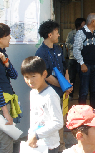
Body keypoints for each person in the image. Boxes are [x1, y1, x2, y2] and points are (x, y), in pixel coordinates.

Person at [35, 19, 72, 152]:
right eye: (57, 32)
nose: (58, 35)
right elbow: (47, 76)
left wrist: (67, 84)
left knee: (61, 121)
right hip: (51, 93)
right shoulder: (41, 53)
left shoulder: (58, 48)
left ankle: (61, 146)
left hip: (62, 92)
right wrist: (64, 87)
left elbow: (65, 67)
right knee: (53, 122)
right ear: (50, 35)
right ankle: (56, 147)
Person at [21, 56, 63, 153]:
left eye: (33, 76)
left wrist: (37, 135)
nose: (30, 81)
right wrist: (32, 135)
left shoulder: (50, 95)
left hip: (49, 146)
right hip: (37, 144)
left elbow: (58, 122)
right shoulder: (33, 92)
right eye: (26, 77)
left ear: (44, 74)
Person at [73, 13, 95, 109]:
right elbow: (76, 49)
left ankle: (94, 111)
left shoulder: (94, 33)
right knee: (84, 91)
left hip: (94, 65)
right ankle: (82, 113)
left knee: (94, 90)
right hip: (85, 65)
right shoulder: (81, 33)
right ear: (93, 21)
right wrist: (82, 63)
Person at [0, 23, 19, 153]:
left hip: (7, 101)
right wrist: (5, 111)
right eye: (8, 36)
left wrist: (6, 62)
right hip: (2, 105)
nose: (10, 38)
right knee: (6, 143)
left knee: (7, 141)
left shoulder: (3, 54)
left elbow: (14, 75)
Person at [66, 18, 86, 98]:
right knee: (71, 77)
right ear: (79, 24)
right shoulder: (71, 33)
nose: (85, 25)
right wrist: (75, 46)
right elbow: (67, 44)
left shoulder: (85, 33)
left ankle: (81, 94)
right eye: (83, 23)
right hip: (73, 58)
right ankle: (70, 94)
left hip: (82, 59)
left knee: (83, 78)